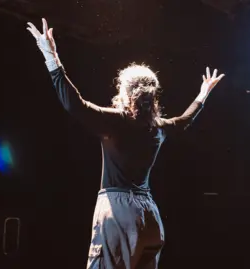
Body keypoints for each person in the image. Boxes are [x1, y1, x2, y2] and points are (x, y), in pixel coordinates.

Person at [27, 18, 225, 269]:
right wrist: (202, 95)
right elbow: (184, 120)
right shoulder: (159, 127)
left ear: (124, 92)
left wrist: (51, 56)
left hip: (118, 213)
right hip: (150, 217)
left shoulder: (115, 122)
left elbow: (74, 104)